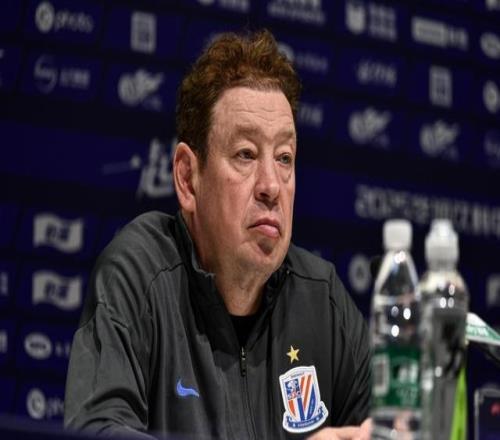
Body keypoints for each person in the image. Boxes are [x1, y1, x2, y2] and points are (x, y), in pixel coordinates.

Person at [64, 30, 371, 440]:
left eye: (284, 158)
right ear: (187, 178)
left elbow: (396, 426)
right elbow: (99, 429)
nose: (271, 185)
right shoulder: (140, 273)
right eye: (246, 154)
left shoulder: (322, 299)